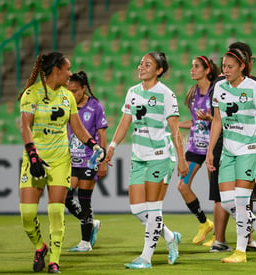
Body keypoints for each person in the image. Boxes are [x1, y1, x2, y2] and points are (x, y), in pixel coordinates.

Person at [18, 52, 106, 273]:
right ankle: (40, 247)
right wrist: (33, 156)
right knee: (27, 216)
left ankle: (54, 260)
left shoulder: (67, 96)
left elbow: (77, 127)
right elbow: (25, 127)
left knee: (56, 212)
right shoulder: (32, 94)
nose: (69, 73)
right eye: (67, 69)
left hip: (60, 162)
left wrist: (94, 145)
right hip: (35, 161)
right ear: (56, 71)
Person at [105, 51, 189, 269]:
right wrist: (112, 145)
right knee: (137, 210)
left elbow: (174, 130)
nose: (141, 67)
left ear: (159, 70)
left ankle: (146, 258)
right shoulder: (132, 92)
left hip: (160, 157)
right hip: (139, 156)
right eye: (141, 63)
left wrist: (181, 158)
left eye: (147, 64)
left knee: (153, 208)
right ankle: (171, 237)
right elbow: (124, 121)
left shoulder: (166, 94)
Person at [205, 48, 256, 263]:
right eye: (223, 66)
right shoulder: (219, 87)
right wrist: (211, 151)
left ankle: (240, 251)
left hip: (250, 150)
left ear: (242, 67)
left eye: (230, 67)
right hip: (228, 151)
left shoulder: (254, 87)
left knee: (241, 202)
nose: (226, 70)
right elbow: (217, 121)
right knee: (227, 203)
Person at [178, 55, 220, 245]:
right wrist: (175, 124)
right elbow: (195, 122)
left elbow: (221, 122)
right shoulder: (193, 93)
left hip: (213, 147)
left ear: (207, 70)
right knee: (182, 186)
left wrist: (211, 120)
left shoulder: (216, 91)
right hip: (195, 147)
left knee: (216, 194)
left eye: (196, 66)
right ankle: (204, 222)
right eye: (191, 66)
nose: (192, 70)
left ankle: (218, 236)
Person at [65, 71, 108, 252]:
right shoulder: (67, 105)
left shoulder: (95, 106)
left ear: (83, 88)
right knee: (66, 198)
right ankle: (92, 223)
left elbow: (101, 134)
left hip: (89, 161)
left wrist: (103, 161)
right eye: (69, 91)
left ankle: (85, 243)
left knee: (84, 200)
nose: (72, 95)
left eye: (75, 91)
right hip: (70, 160)